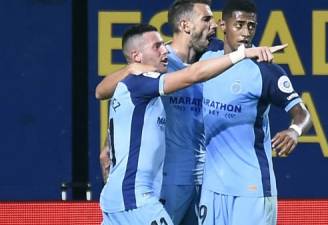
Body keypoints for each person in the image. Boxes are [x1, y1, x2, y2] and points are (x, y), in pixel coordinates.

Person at [99, 23, 285, 225]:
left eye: (164, 45)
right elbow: (193, 75)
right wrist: (242, 54)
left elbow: (102, 93)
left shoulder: (130, 84)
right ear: (136, 56)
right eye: (158, 46)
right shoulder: (140, 82)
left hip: (118, 198)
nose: (165, 51)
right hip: (135, 200)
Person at [97, 1, 222, 224]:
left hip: (201, 178)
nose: (214, 25)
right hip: (166, 181)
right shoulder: (159, 63)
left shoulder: (211, 62)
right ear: (186, 25)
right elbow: (104, 91)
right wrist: (130, 68)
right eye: (206, 19)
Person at [198, 1, 312, 225]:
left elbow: (302, 113)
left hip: (251, 188)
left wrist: (294, 131)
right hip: (212, 187)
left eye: (251, 26)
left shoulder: (266, 70)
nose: (245, 32)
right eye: (238, 25)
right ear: (223, 24)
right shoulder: (206, 59)